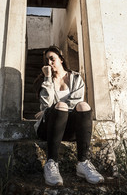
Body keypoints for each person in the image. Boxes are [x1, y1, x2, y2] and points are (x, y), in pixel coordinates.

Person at [33, 45, 104, 186]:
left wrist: (52, 108)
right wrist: (47, 78)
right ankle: (51, 163)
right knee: (62, 106)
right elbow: (46, 105)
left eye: (52, 59)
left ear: (61, 59)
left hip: (70, 129)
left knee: (84, 106)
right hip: (49, 129)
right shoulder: (45, 81)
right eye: (46, 60)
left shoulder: (76, 78)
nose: (49, 63)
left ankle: (83, 163)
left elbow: (76, 103)